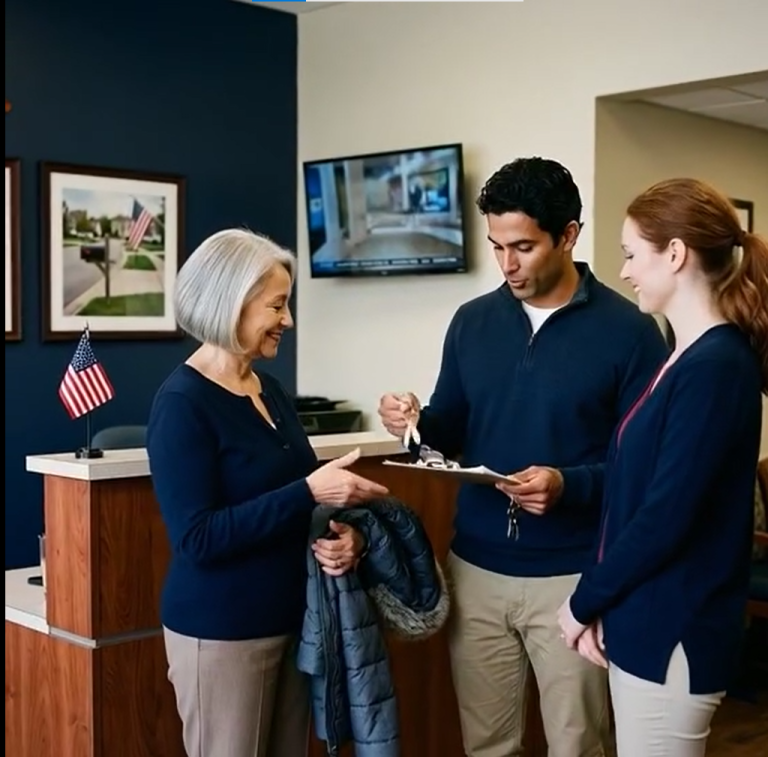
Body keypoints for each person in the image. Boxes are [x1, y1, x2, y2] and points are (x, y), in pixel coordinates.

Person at [379, 157, 669, 757]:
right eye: (496, 246)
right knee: (486, 745)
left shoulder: (632, 331)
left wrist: (570, 485)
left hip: (574, 576)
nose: (507, 265)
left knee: (578, 745)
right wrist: (412, 422)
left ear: (568, 235)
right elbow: (449, 430)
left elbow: (645, 469)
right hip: (475, 570)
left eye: (524, 247)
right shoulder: (472, 322)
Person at [146, 228, 388, 757]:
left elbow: (286, 500)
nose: (289, 320)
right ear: (230, 304)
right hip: (223, 631)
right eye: (277, 305)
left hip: (293, 622)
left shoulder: (269, 389)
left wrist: (340, 532)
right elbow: (198, 538)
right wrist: (308, 491)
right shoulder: (182, 404)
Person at [558, 178, 768, 757]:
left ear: (675, 254)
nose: (624, 272)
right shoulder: (683, 356)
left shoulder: (717, 365)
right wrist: (604, 604)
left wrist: (582, 601)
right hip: (642, 617)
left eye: (631, 254)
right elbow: (632, 497)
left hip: (673, 627)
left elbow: (667, 515)